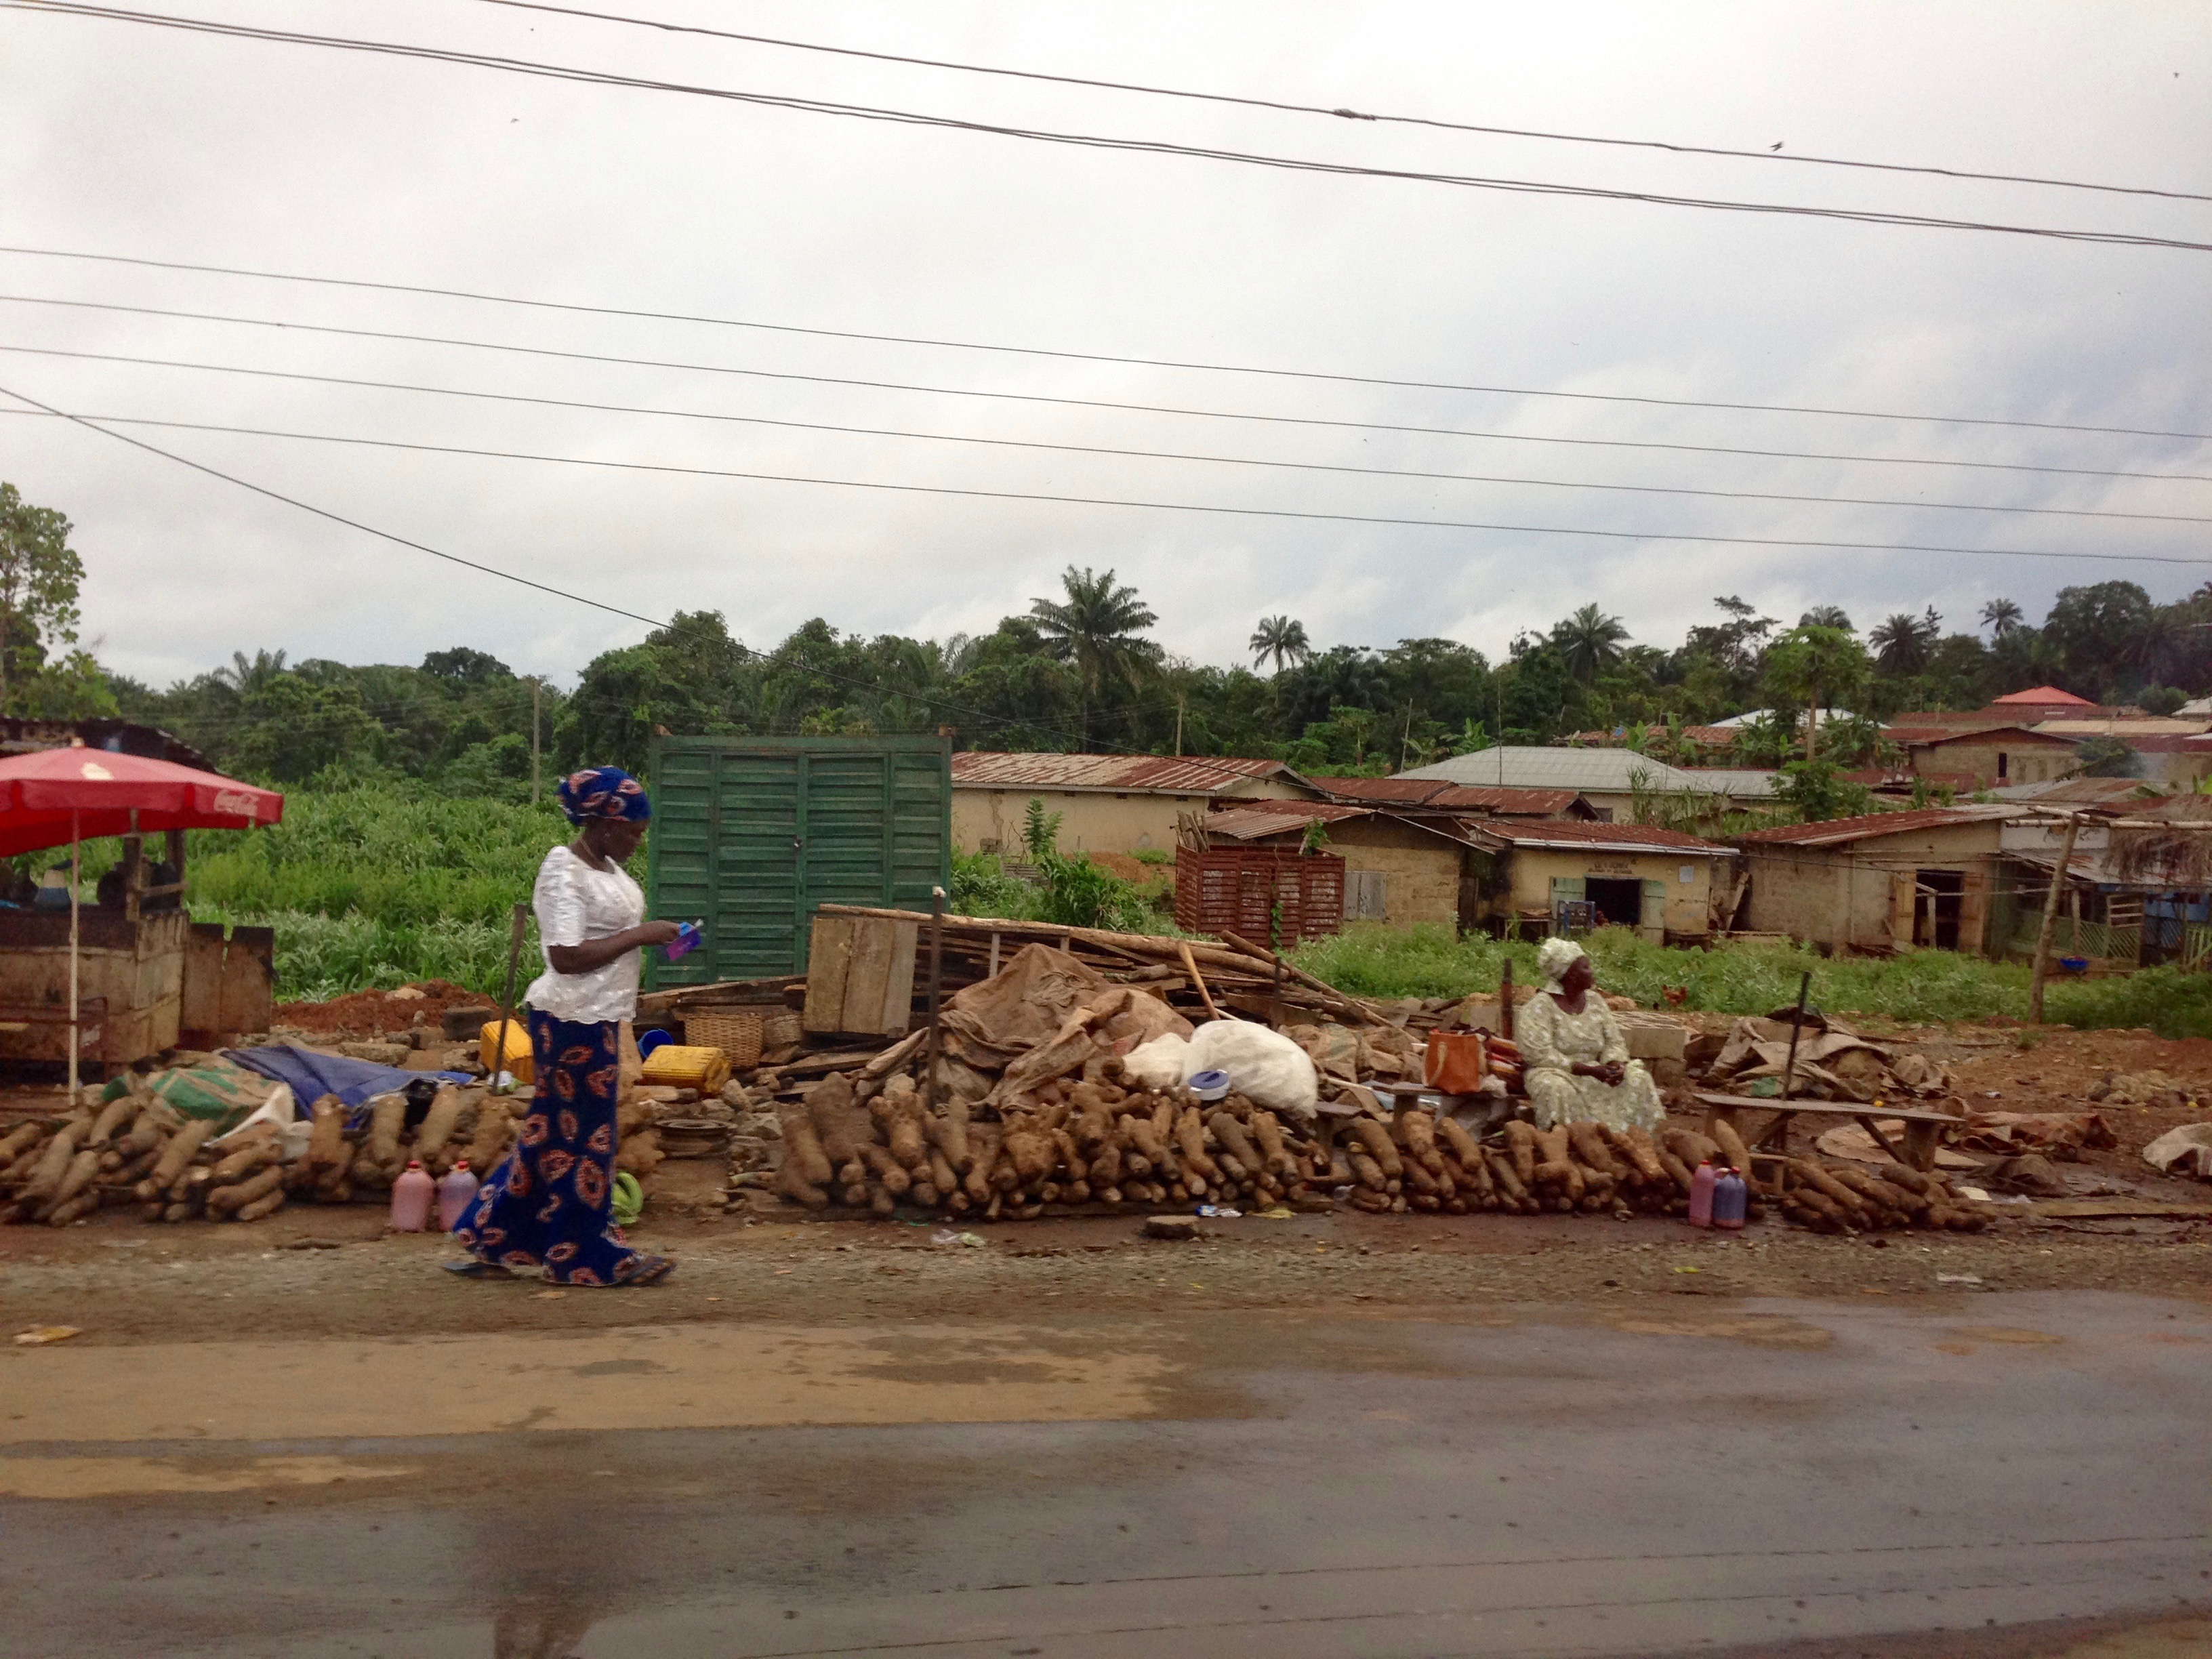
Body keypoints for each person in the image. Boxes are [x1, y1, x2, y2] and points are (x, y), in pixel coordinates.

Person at [449, 766, 682, 1285]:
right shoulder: (563, 871)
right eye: (632, 833)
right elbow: (565, 956)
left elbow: (611, 936)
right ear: (602, 824)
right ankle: (582, 1255)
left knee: (550, 1133)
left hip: (598, 1015)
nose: (636, 843)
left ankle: (498, 1236)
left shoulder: (609, 872)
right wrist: (642, 936)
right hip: (571, 1018)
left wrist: (658, 937)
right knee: (588, 1141)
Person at [1515, 937, 1664, 1134]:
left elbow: (1614, 1041)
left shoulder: (1596, 1002)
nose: (1591, 972)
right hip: (1555, 1072)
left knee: (1639, 1078)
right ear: (1569, 975)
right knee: (1555, 1088)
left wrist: (1614, 1064)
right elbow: (1539, 1054)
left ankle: (1633, 1140)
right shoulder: (1539, 1007)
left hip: (1597, 1071)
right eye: (1585, 968)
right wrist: (1586, 1070)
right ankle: (1571, 1143)